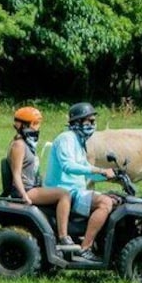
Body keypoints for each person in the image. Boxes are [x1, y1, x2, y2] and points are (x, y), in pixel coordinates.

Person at [44, 102, 116, 262]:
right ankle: (85, 248)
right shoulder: (66, 139)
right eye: (88, 121)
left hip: (76, 191)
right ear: (77, 122)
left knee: (115, 199)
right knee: (105, 203)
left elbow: (85, 169)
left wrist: (109, 176)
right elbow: (68, 166)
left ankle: (101, 243)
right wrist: (98, 171)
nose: (92, 125)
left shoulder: (79, 142)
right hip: (64, 192)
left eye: (93, 122)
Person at [7, 106, 77, 249]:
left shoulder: (27, 144)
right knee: (64, 195)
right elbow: (16, 174)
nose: (38, 128)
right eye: (36, 124)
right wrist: (24, 196)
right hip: (26, 190)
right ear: (27, 124)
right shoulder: (18, 146)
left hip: (32, 187)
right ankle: (63, 237)